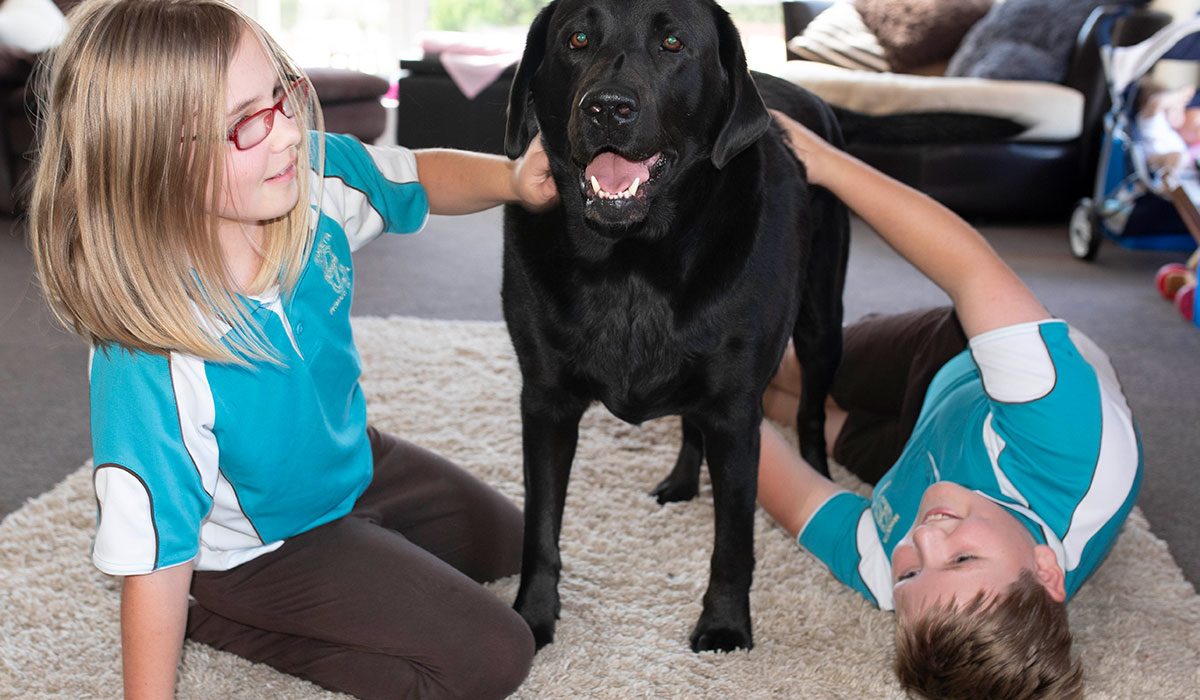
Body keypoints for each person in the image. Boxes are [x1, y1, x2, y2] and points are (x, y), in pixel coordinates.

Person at [27, 1, 559, 699]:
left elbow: (417, 175)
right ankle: (222, 621)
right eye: (243, 123)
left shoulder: (306, 184)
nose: (285, 133)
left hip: (355, 464)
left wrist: (513, 178)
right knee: (493, 655)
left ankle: (365, 544)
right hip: (257, 551)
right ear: (150, 161)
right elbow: (154, 559)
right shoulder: (149, 357)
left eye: (280, 94)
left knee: (518, 546)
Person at [759, 110, 1142, 700]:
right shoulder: (1069, 442)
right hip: (966, 370)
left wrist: (706, 393)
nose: (925, 540)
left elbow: (801, 494)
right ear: (1046, 569)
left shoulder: (893, 573)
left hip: (922, 458)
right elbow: (968, 268)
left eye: (911, 573)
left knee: (771, 402)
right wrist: (823, 162)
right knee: (800, 364)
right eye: (963, 559)